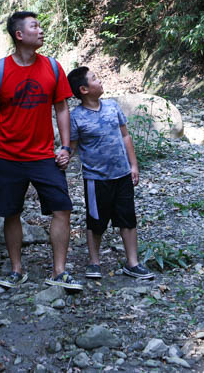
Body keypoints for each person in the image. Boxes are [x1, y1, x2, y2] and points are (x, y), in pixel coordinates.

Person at [0, 11, 83, 290]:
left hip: (44, 156)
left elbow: (61, 109)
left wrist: (66, 147)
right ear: (19, 35)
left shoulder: (53, 68)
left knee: (62, 209)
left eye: (40, 25)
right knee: (11, 213)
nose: (41, 30)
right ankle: (16, 270)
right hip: (7, 156)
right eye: (35, 26)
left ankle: (59, 272)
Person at [66, 66, 155, 280]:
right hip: (96, 179)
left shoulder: (113, 107)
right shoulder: (76, 117)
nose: (100, 80)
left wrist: (133, 165)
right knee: (96, 221)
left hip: (122, 174)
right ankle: (94, 262)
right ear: (84, 89)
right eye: (94, 78)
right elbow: (73, 146)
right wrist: (62, 158)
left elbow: (125, 136)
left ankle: (132, 263)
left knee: (128, 218)